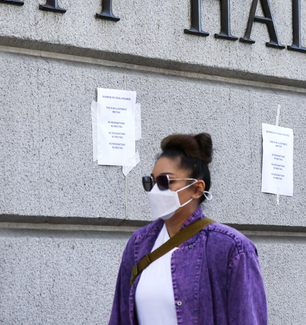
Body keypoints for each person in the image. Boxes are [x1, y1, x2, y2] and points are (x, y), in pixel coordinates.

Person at [109, 133, 268, 325]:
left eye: (165, 182)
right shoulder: (139, 244)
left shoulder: (231, 248)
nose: (155, 191)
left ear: (197, 189)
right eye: (151, 182)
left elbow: (247, 319)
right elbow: (120, 317)